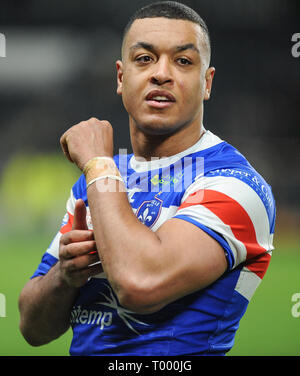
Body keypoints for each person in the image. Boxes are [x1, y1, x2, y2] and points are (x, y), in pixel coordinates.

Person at [18, 1, 276, 356]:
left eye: (183, 61)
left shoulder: (234, 184)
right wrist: (65, 276)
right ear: (121, 78)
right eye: (145, 59)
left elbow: (139, 284)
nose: (161, 74)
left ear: (207, 82)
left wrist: (96, 164)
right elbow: (32, 328)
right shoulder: (100, 179)